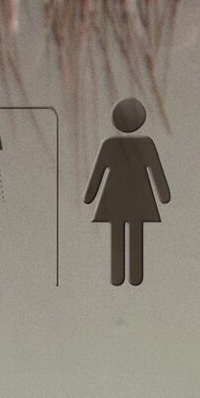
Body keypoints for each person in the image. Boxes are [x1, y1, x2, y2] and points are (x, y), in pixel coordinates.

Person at [82, 99, 169, 286]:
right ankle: (133, 276)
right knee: (134, 232)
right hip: (139, 196)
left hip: (116, 195)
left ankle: (119, 275)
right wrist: (164, 195)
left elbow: (98, 172)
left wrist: (90, 196)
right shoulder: (144, 145)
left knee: (118, 233)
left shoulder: (112, 145)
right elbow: (156, 172)